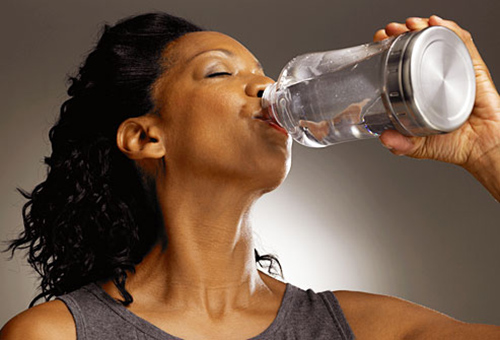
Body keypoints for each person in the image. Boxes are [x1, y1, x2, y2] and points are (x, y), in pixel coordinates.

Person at [1, 12, 499, 339]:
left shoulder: (360, 329)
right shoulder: (57, 335)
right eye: (220, 72)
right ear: (146, 137)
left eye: (262, 71)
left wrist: (490, 150)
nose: (265, 85)